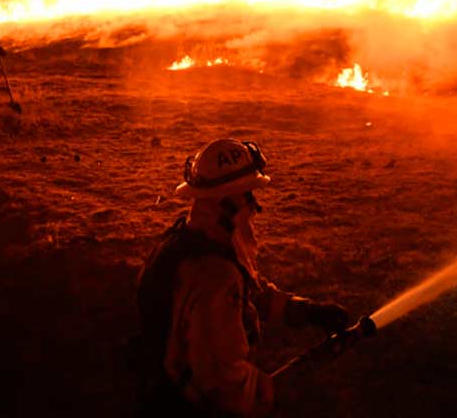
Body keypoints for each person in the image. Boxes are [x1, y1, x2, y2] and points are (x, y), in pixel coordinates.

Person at [135, 139, 350, 417]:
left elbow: (249, 294)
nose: (254, 204)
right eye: (248, 194)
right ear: (228, 201)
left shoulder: (195, 238)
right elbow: (224, 383)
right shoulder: (214, 276)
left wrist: (305, 310)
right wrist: (273, 393)